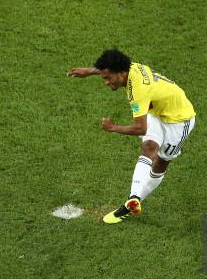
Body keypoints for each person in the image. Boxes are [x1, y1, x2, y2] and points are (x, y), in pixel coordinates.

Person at [67, 49, 196, 224]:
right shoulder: (128, 67)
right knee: (149, 147)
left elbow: (140, 128)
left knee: (162, 161)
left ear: (122, 73)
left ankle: (136, 198)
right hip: (158, 110)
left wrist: (113, 127)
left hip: (180, 120)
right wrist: (89, 71)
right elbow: (110, 69)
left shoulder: (138, 92)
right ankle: (132, 201)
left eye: (108, 78)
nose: (106, 82)